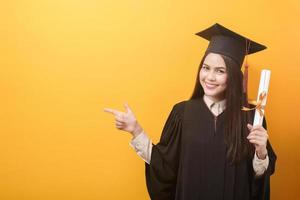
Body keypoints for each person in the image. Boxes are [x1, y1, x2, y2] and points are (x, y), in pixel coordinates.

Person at [104, 23, 277, 200]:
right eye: (206, 67)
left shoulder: (250, 117)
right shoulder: (182, 114)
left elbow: (257, 179)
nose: (209, 77)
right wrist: (136, 130)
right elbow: (165, 167)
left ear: (232, 76)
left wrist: (261, 151)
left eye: (220, 71)